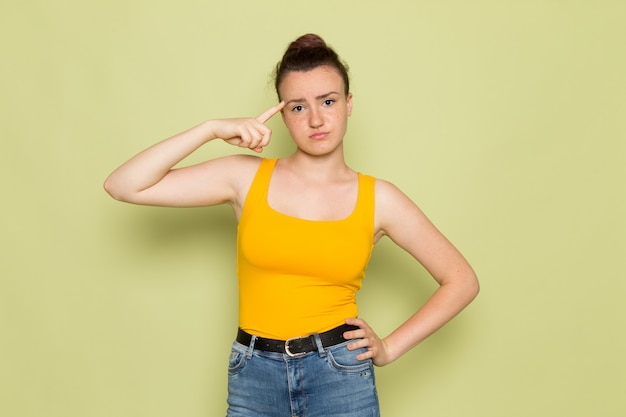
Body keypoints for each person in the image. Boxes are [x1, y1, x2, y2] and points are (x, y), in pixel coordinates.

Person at [104, 33, 479, 417]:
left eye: (328, 102)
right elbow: (123, 185)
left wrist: (389, 347)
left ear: (349, 105)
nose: (316, 119)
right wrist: (211, 129)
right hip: (254, 376)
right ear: (283, 115)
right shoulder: (245, 178)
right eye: (298, 107)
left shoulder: (380, 199)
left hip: (340, 375)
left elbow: (461, 280)